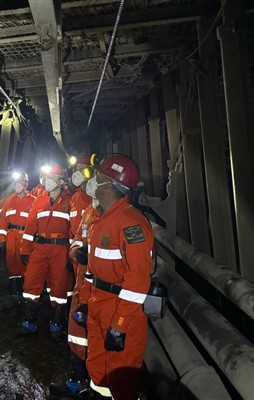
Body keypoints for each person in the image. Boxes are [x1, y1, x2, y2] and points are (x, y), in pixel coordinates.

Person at [81, 155, 154, 400]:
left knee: (121, 377)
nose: (93, 181)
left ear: (110, 184)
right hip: (99, 303)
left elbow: (138, 279)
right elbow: (94, 269)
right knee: (98, 367)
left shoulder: (131, 223)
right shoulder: (102, 219)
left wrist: (120, 324)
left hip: (121, 310)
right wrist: (85, 300)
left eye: (98, 177)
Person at [49, 158, 96, 399]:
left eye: (85, 172)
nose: (80, 176)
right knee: (77, 330)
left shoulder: (105, 211)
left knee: (94, 336)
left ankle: (91, 383)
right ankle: (76, 380)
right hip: (81, 276)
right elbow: (76, 236)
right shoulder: (86, 207)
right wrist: (76, 253)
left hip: (100, 287)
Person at [19, 164, 72, 340]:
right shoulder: (39, 201)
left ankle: (56, 326)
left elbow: (74, 230)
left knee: (59, 287)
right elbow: (29, 228)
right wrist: (25, 249)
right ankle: (29, 322)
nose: (48, 181)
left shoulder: (69, 201)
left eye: (53, 178)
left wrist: (71, 256)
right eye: (47, 177)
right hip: (39, 248)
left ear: (61, 181)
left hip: (60, 249)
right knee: (31, 285)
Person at [0, 171, 36, 306]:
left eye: (20, 182)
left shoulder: (34, 201)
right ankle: (15, 295)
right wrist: (2, 240)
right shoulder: (8, 201)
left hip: (26, 238)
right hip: (11, 237)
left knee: (26, 268)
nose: (17, 185)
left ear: (26, 183)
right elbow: (2, 223)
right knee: (12, 268)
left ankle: (26, 297)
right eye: (15, 182)